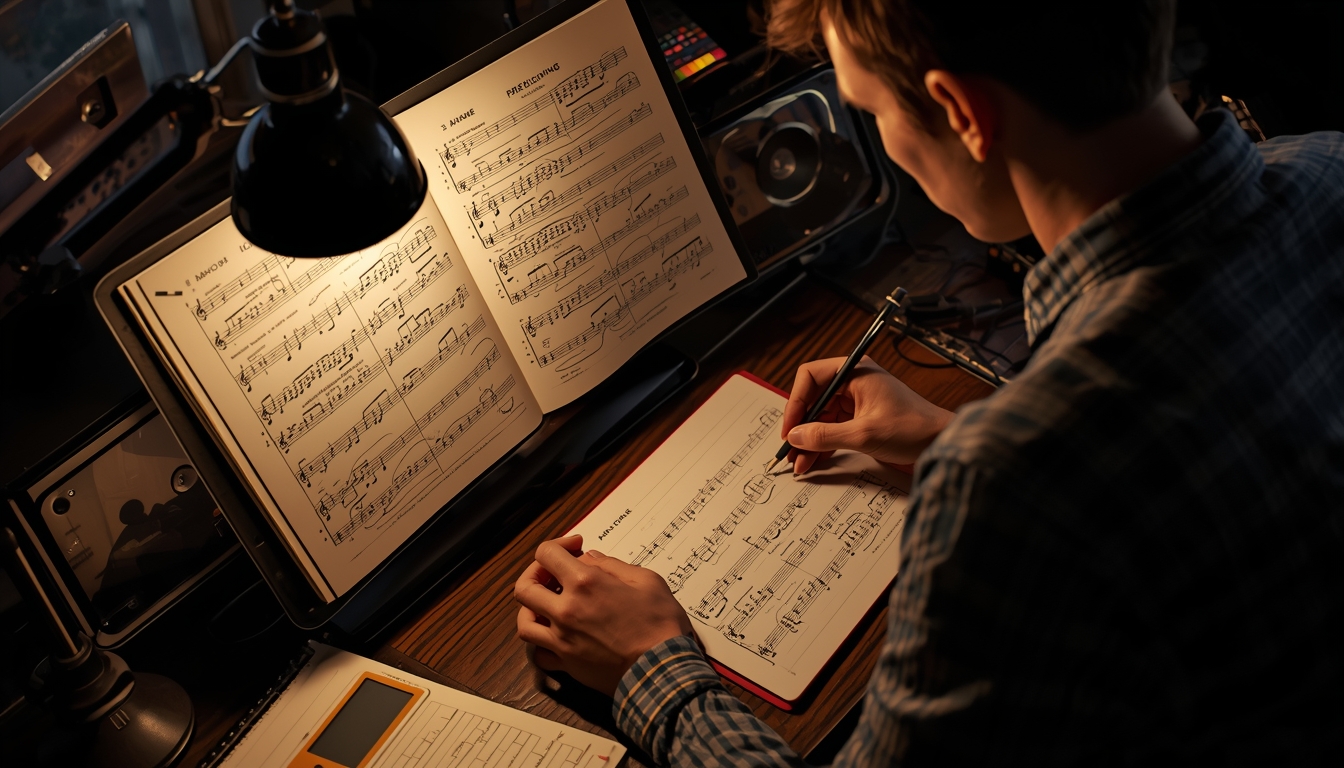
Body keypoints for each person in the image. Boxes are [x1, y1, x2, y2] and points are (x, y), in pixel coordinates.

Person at [514, 0, 1344, 763]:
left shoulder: (1011, 486)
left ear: (963, 113)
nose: (885, 143)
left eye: (871, 111)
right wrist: (959, 438)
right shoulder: (1330, 170)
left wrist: (652, 669)